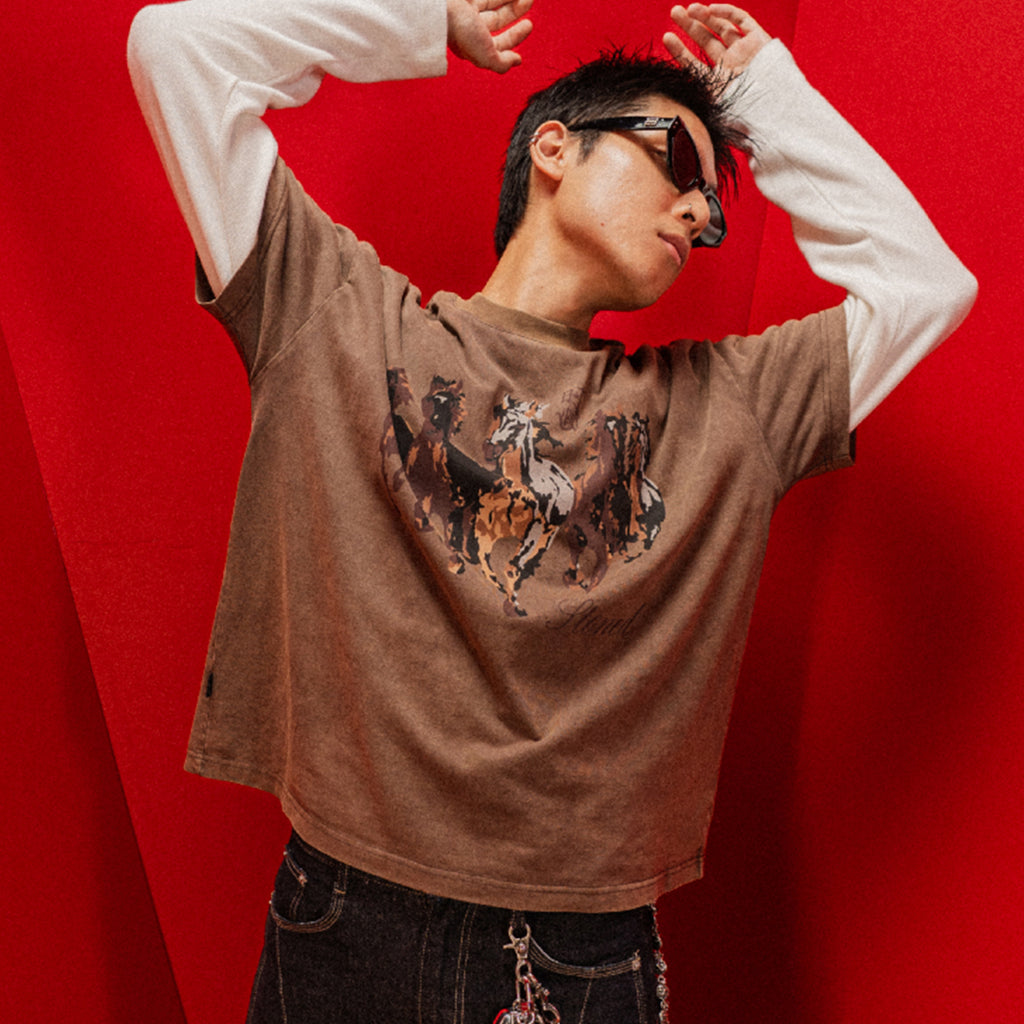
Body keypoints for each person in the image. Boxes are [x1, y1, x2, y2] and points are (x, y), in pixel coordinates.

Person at [127, 1, 976, 1021]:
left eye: (712, 210)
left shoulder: (727, 410)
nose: (697, 214)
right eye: (678, 162)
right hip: (348, 919)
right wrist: (421, 21)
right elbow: (176, 51)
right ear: (556, 148)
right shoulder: (333, 317)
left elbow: (924, 286)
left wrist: (767, 101)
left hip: (577, 954)